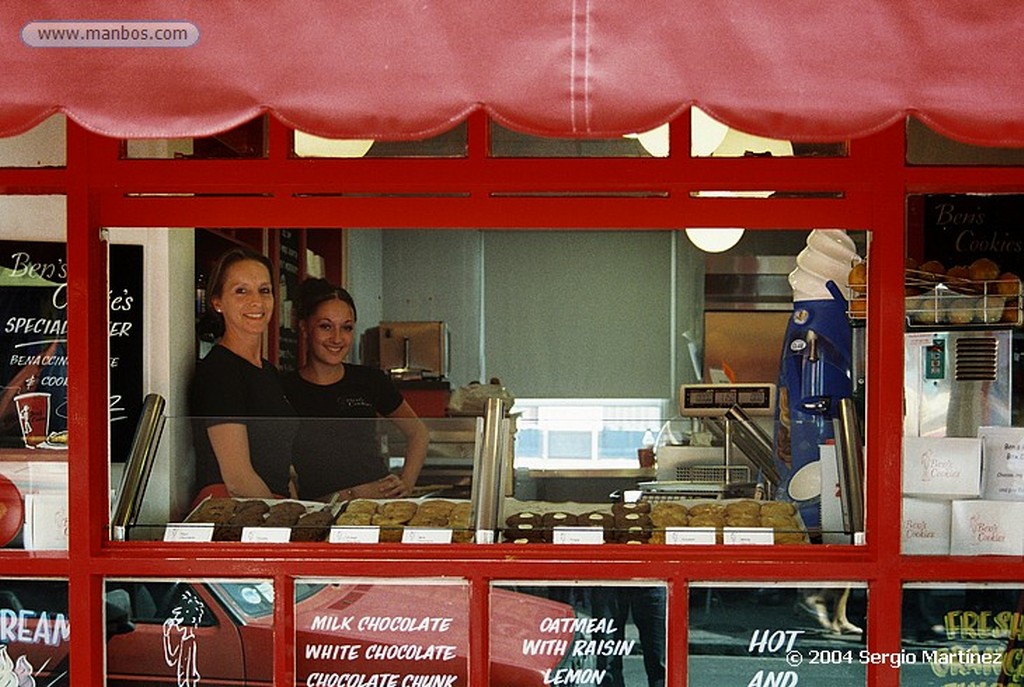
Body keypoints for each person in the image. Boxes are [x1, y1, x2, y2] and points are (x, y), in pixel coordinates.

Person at [282, 278, 428, 501]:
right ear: (304, 327)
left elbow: (418, 432)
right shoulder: (284, 388)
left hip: (379, 507)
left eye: (346, 328)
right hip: (323, 515)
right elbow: (274, 462)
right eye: (325, 326)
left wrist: (406, 484)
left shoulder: (370, 380)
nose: (337, 338)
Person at [189, 247, 296, 503]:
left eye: (264, 290)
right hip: (237, 513)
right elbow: (238, 480)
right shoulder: (219, 372)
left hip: (267, 507)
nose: (256, 301)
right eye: (241, 291)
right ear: (217, 302)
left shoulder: (268, 372)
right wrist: (282, 522)